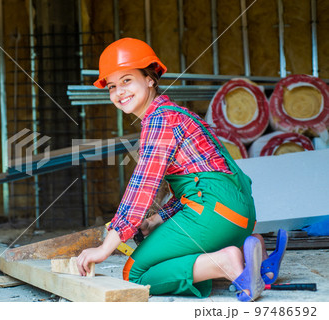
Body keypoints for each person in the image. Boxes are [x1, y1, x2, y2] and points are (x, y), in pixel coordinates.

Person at [76, 38, 287, 301]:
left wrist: (104, 248)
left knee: (136, 274)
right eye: (111, 86)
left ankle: (228, 262)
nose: (119, 92)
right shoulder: (177, 113)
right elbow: (197, 183)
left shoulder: (158, 120)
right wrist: (158, 219)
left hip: (214, 214)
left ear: (150, 79)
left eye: (127, 80)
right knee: (173, 248)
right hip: (239, 215)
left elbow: (142, 187)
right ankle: (251, 253)